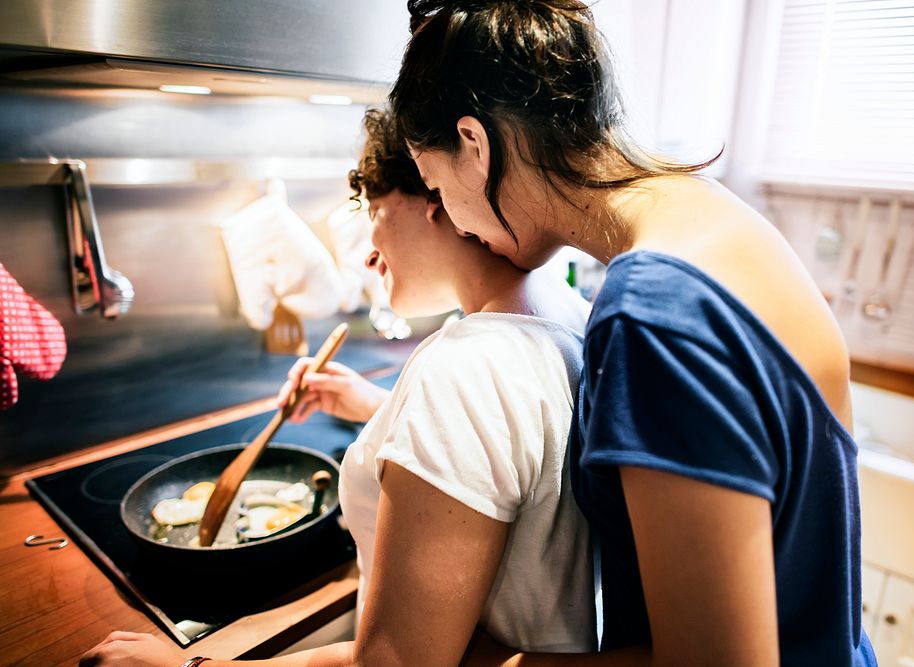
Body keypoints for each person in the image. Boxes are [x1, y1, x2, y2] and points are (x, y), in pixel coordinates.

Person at [388, 1, 879, 665]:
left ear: (473, 145)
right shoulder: (711, 219)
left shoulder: (652, 312)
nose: (450, 217)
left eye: (433, 182)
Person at [81, 109, 594, 666]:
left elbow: (391, 663)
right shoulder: (577, 319)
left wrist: (188, 666)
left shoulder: (463, 367)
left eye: (374, 211)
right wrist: (381, 410)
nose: (369, 253)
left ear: (435, 193)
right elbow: (522, 460)